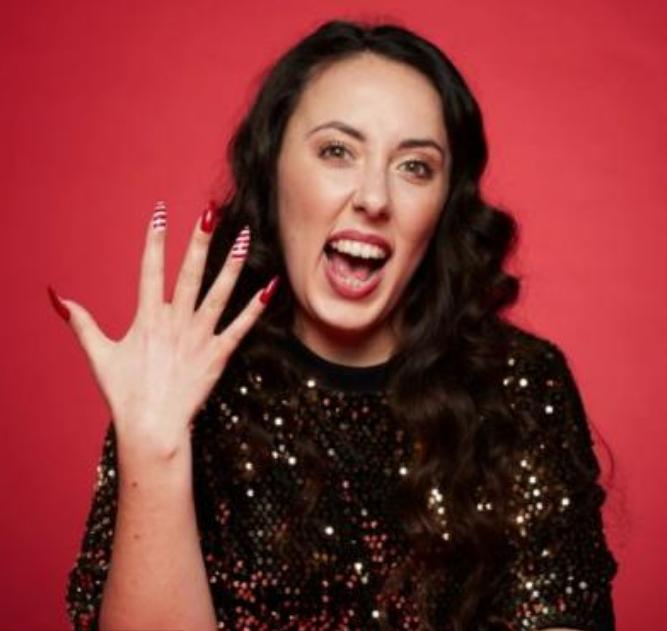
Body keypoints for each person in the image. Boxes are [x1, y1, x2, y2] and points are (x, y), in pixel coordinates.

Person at [52, 19, 618, 631]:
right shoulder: (182, 382)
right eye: (337, 152)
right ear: (273, 171)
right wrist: (155, 445)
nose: (374, 198)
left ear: (444, 205)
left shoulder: (519, 386)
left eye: (415, 167)